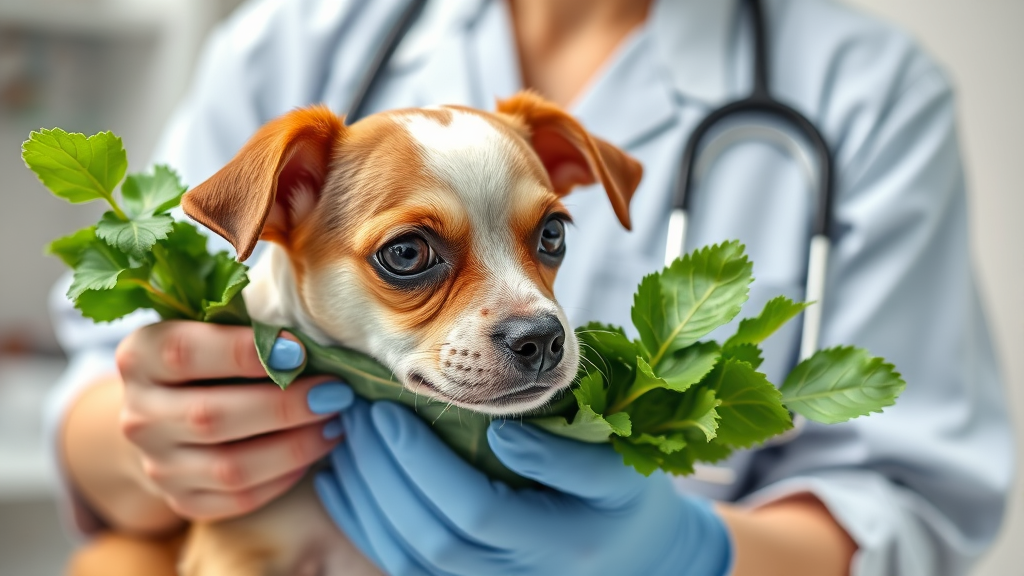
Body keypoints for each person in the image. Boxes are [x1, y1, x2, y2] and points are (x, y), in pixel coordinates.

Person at [49, 0, 1014, 574]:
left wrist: (690, 555)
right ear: (286, 201)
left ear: (572, 177)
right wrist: (159, 435)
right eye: (411, 257)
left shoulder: (868, 87)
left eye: (545, 238)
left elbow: (909, 498)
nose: (530, 320)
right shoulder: (297, 36)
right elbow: (100, 382)